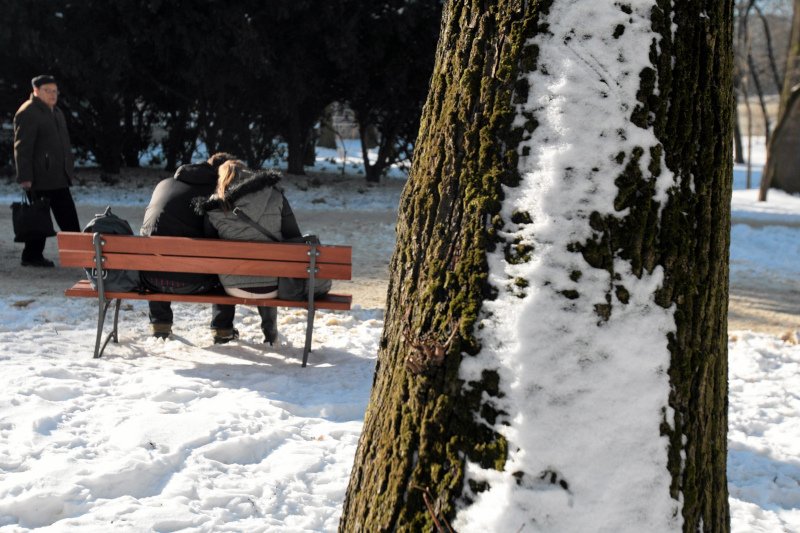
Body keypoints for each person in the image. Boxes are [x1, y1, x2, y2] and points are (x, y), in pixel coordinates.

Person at [195, 160, 303, 345]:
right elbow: (294, 236)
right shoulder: (275, 196)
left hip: (233, 286)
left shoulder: (214, 206)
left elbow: (209, 244)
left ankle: (222, 328)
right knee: (270, 267)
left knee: (221, 262)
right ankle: (270, 332)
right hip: (273, 286)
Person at [140, 152, 236, 340]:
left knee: (158, 255)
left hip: (150, 279)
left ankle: (160, 323)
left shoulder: (164, 185)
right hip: (193, 282)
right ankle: (222, 328)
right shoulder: (217, 193)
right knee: (225, 260)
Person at [13, 74, 80, 267]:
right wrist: (25, 178)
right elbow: (22, 147)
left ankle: (75, 254)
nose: (52, 94)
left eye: (54, 91)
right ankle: (32, 256)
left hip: (58, 176)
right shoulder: (28, 112)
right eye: (47, 91)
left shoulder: (56, 111)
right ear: (36, 91)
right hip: (39, 178)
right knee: (39, 218)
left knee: (66, 217)